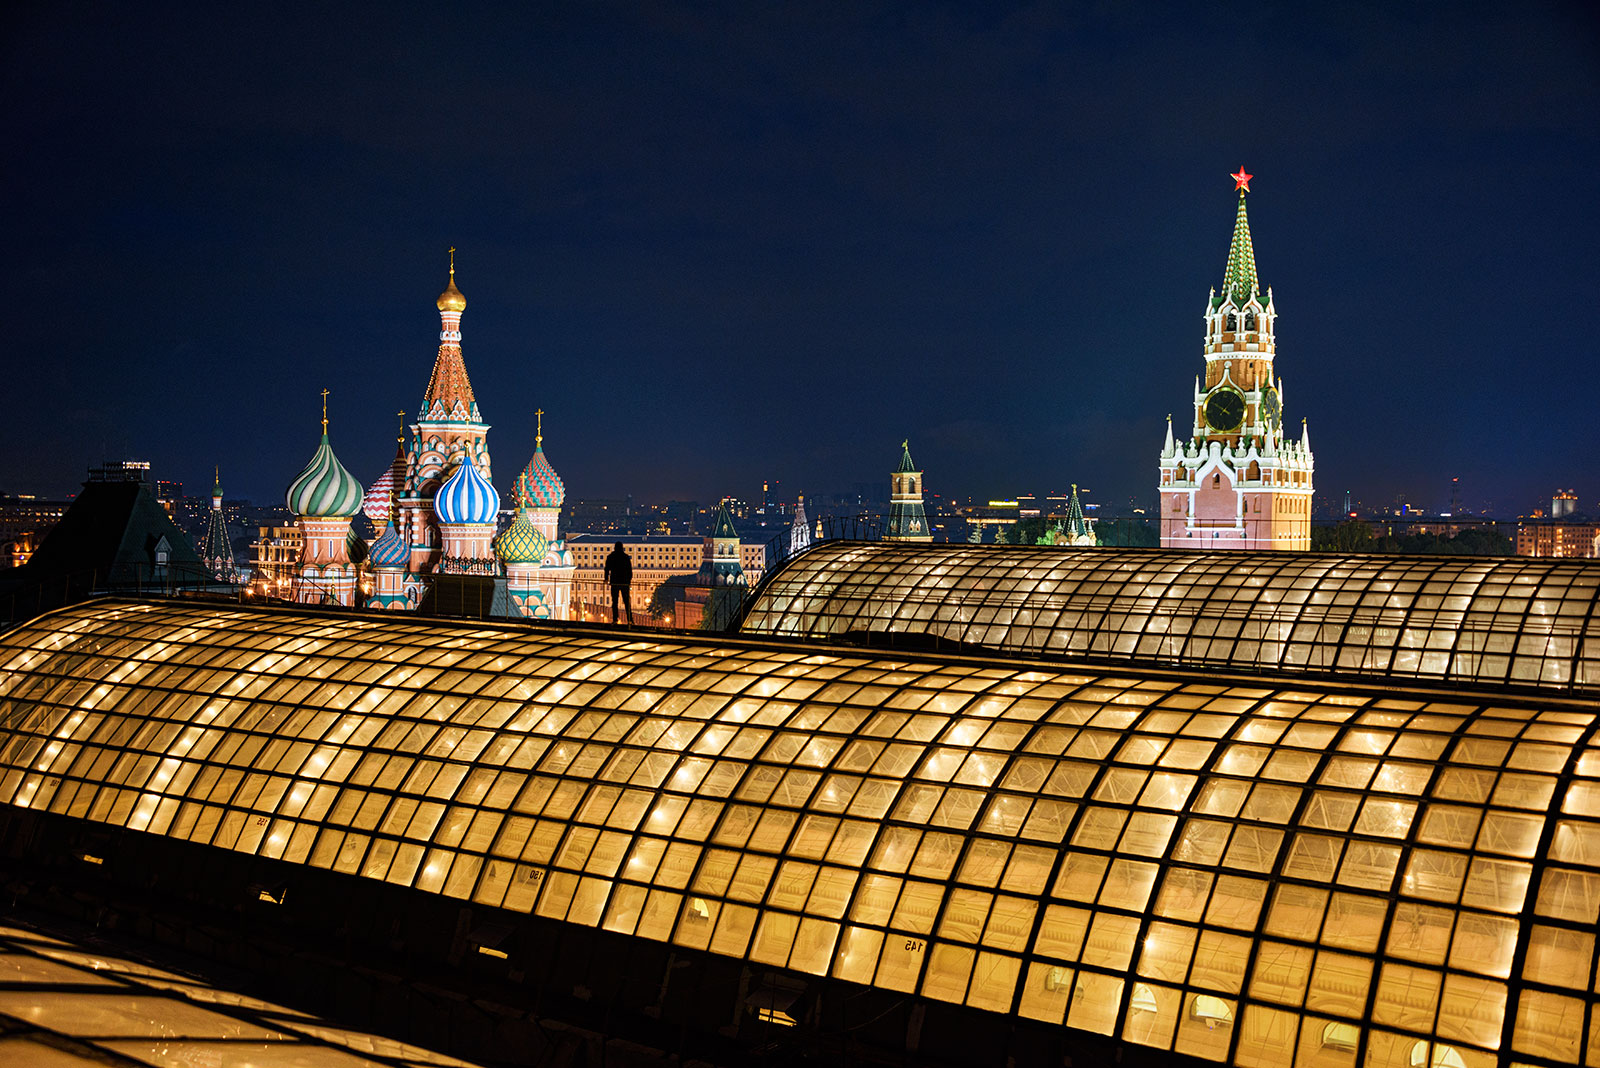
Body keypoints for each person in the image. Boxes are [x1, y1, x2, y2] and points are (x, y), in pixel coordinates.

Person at [604, 541, 634, 624]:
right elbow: (629, 570)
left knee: (615, 602)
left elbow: (607, 569)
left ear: (614, 548)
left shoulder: (610, 557)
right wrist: (628, 581)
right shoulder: (626, 557)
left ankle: (615, 619)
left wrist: (606, 579)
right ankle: (630, 620)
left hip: (614, 581)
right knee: (627, 602)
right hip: (624, 582)